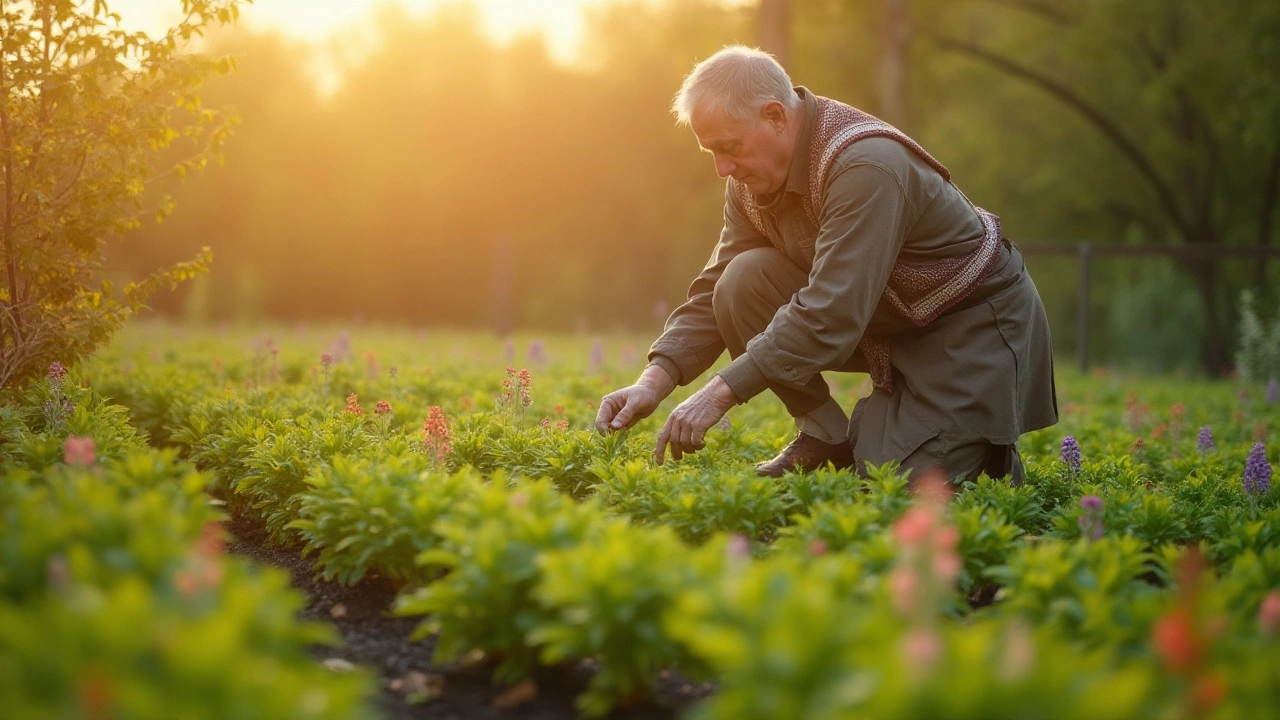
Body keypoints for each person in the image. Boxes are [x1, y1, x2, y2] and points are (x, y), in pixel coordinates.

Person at [593, 46, 1057, 484]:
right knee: (740, 282)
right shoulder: (752, 179)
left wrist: (718, 394)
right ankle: (825, 436)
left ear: (774, 116)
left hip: (967, 328)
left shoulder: (864, 166)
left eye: (728, 146)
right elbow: (715, 291)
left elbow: (831, 311)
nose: (722, 169)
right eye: (711, 151)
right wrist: (653, 382)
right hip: (886, 317)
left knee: (900, 488)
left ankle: (980, 442)